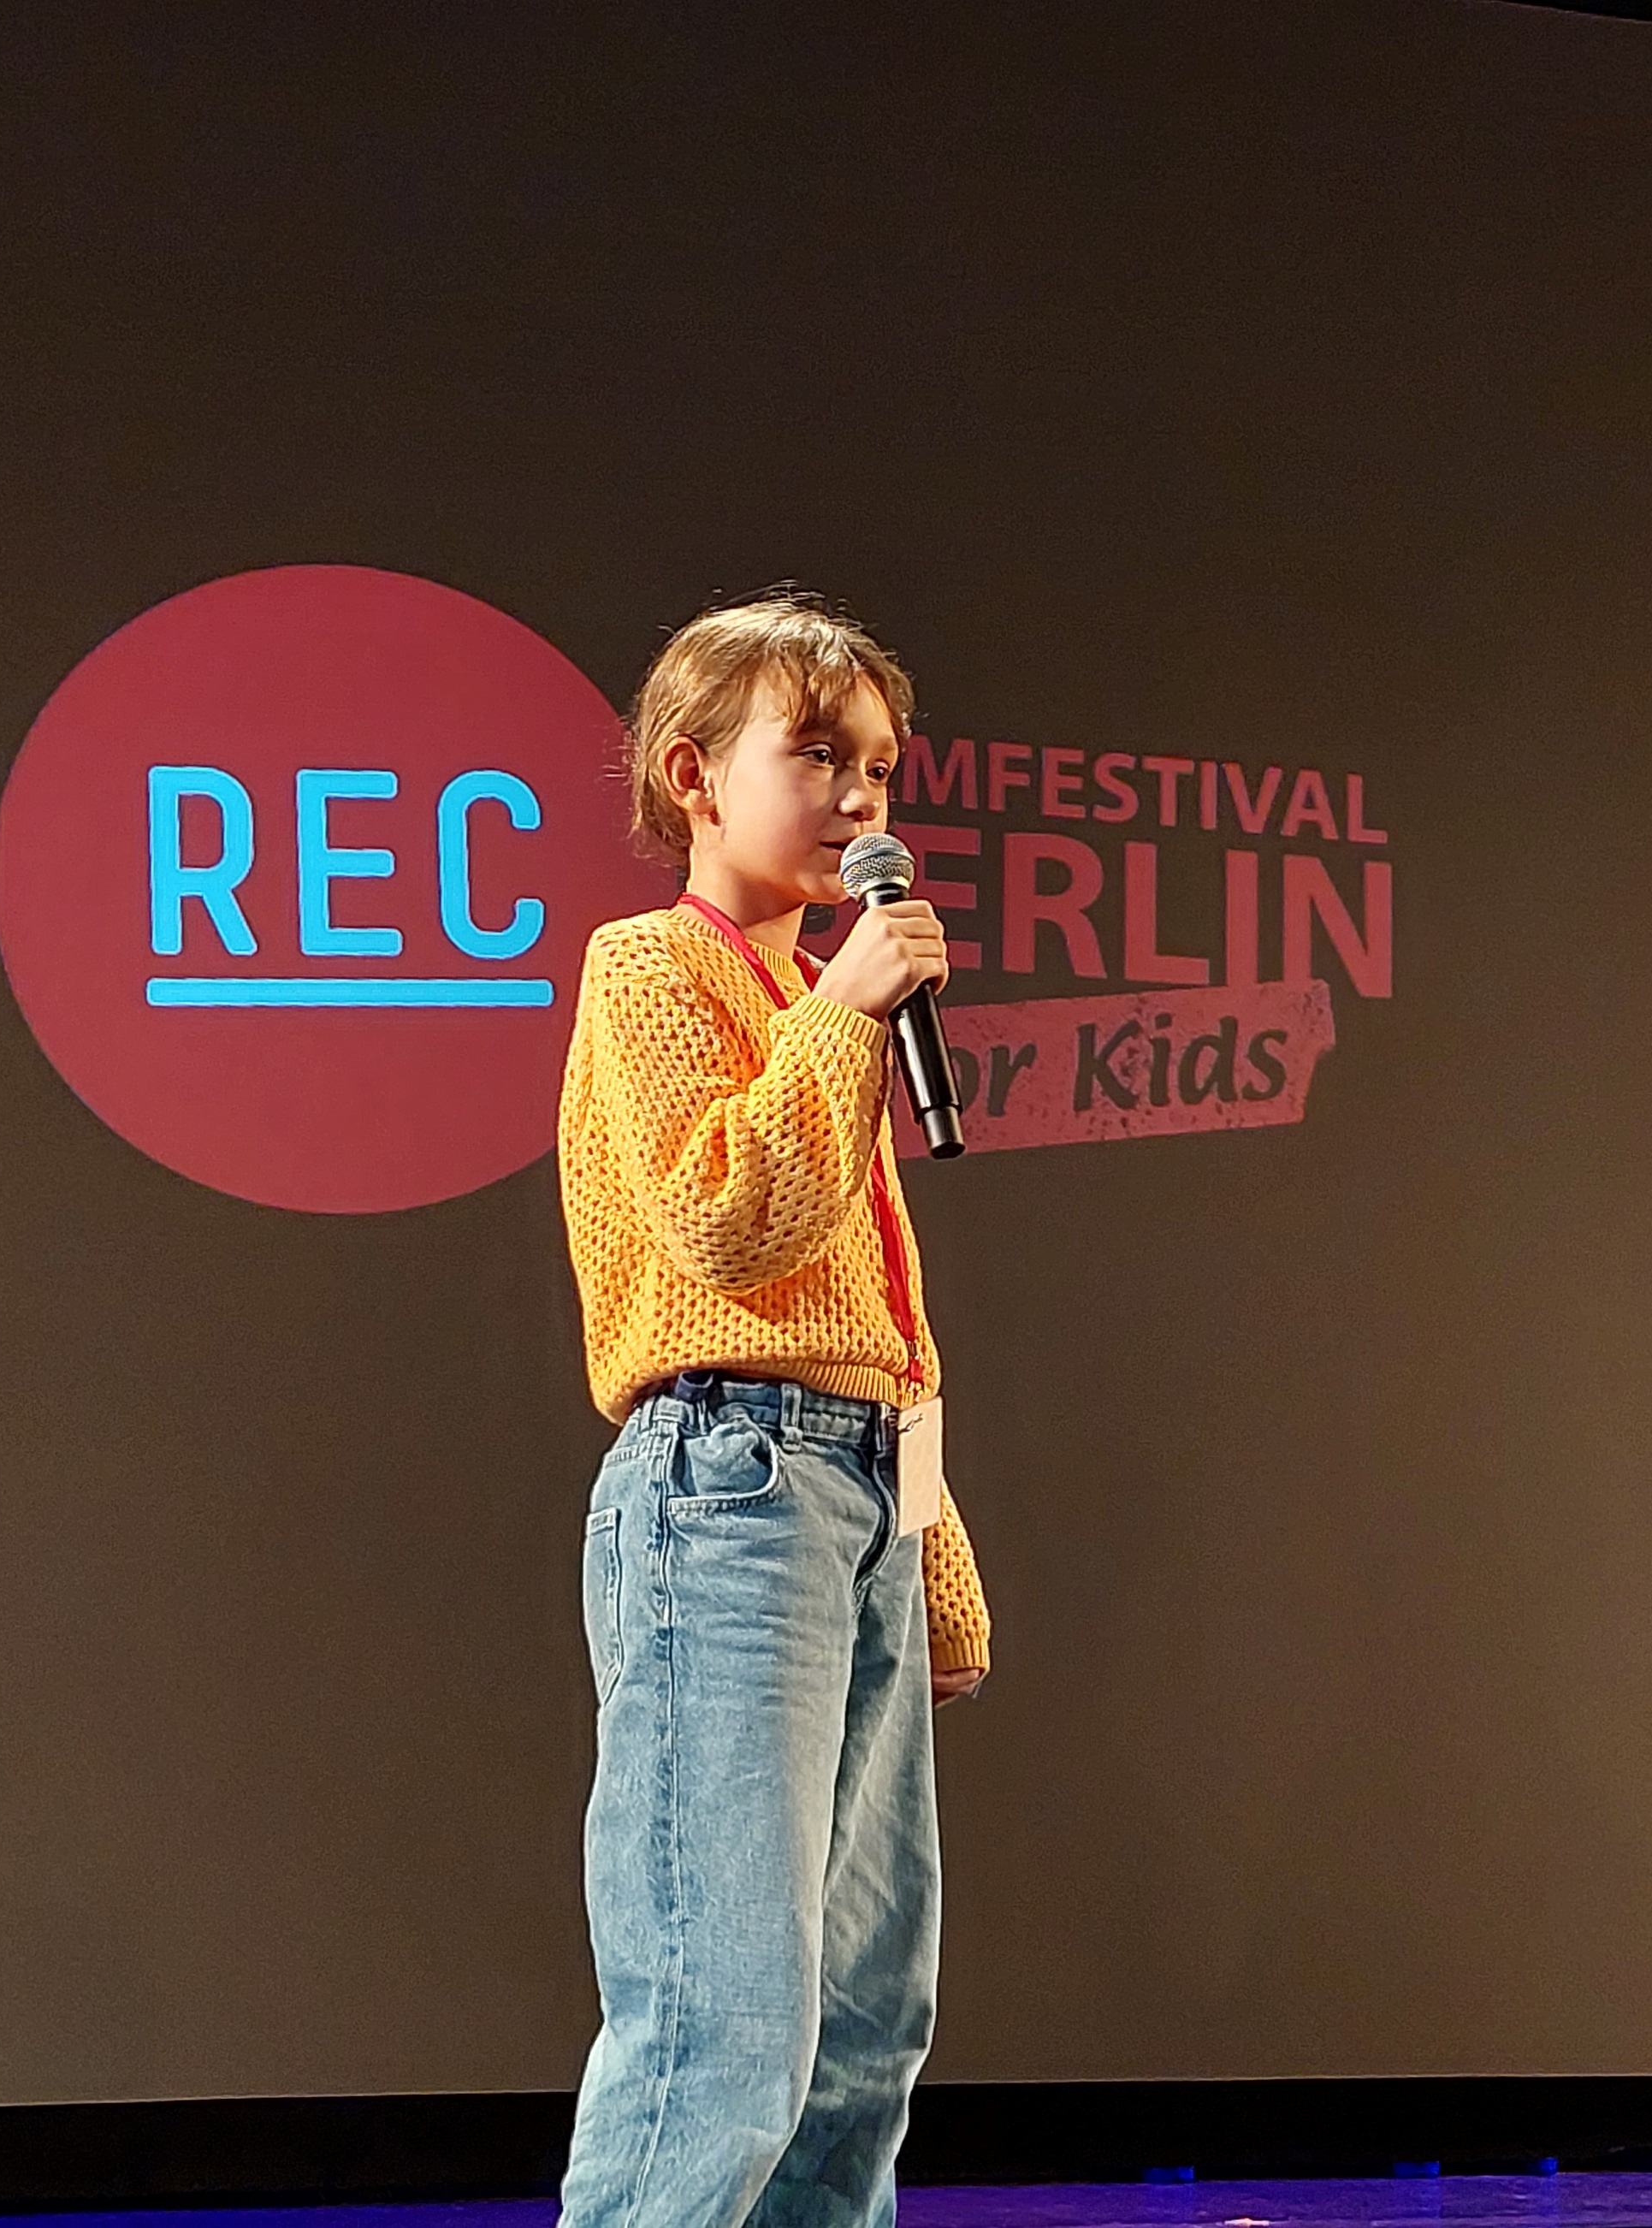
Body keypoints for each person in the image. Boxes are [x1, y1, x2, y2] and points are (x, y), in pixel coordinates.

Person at [555, 587, 992, 2228]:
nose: (864, 801)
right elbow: (727, 1224)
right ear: (693, 774)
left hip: (861, 1504)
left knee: (866, 2031)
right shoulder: (653, 972)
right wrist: (844, 1014)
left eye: (880, 769)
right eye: (818, 757)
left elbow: (877, 1319)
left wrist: (928, 1558)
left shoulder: (826, 1017)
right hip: (727, 1490)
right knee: (723, 2024)